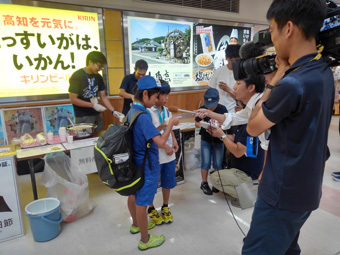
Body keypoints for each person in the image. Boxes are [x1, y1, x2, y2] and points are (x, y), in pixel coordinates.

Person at [242, 1, 334, 254]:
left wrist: (274, 81)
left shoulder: (293, 84)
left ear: (289, 28)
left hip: (282, 193)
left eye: (272, 30)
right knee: (287, 248)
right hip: (306, 188)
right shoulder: (323, 72)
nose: (272, 39)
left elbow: (252, 127)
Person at [126, 76, 179, 251]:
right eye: (155, 97)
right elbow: (162, 142)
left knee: (133, 195)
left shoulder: (132, 110)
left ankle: (136, 225)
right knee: (143, 201)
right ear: (146, 94)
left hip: (135, 162)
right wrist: (170, 124)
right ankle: (145, 240)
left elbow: (148, 134)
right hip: (146, 165)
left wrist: (165, 125)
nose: (157, 100)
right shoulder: (143, 116)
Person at [208, 75, 265, 206]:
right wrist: (218, 131)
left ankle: (250, 194)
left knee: (215, 178)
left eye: (238, 84)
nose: (234, 87)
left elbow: (239, 152)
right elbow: (234, 137)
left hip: (249, 174)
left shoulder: (251, 125)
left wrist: (222, 136)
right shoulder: (245, 120)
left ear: (251, 88)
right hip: (241, 168)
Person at [147, 80, 179, 225]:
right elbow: (152, 134)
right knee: (152, 183)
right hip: (156, 154)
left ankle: (165, 206)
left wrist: (174, 140)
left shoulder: (166, 110)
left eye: (168, 95)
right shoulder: (148, 111)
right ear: (156, 95)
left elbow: (168, 129)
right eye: (164, 95)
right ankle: (151, 207)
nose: (166, 98)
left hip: (168, 153)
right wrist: (165, 144)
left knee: (168, 181)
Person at [68, 51, 115, 132]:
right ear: (90, 62)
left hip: (97, 114)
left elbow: (103, 96)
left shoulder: (98, 77)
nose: (100, 69)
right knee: (85, 139)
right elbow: (73, 99)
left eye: (102, 68)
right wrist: (93, 105)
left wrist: (113, 111)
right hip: (83, 115)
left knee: (99, 137)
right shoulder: (77, 76)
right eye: (99, 66)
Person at [195, 88, 228, 195]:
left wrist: (220, 126)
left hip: (219, 140)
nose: (210, 107)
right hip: (205, 139)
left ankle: (216, 183)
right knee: (205, 162)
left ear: (218, 100)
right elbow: (196, 123)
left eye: (213, 105)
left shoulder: (223, 109)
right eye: (208, 104)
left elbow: (227, 123)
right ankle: (204, 183)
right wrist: (202, 124)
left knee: (218, 163)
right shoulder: (202, 109)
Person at [208, 44, 241, 113]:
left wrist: (228, 89)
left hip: (234, 112)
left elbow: (242, 98)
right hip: (217, 110)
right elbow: (211, 91)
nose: (234, 62)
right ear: (226, 57)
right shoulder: (219, 71)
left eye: (237, 60)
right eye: (231, 60)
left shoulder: (243, 73)